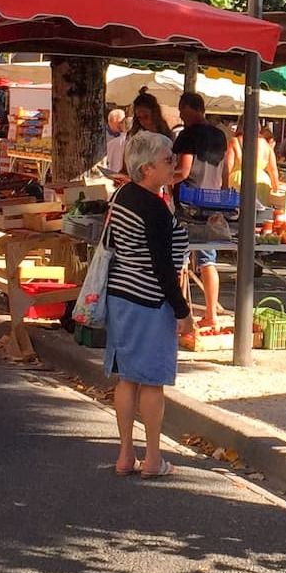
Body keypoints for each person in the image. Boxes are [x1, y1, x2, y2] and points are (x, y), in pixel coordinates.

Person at [105, 130, 195, 478]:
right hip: (150, 300)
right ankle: (153, 458)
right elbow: (163, 268)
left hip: (121, 294)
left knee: (127, 378)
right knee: (152, 382)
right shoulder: (154, 209)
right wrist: (183, 311)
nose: (174, 166)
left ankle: (125, 454)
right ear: (147, 170)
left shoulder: (122, 195)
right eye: (167, 161)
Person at [170, 91, 232, 331]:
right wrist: (222, 194)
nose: (180, 115)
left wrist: (164, 177)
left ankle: (177, 315)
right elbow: (225, 171)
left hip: (188, 206)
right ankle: (211, 314)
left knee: (178, 260)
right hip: (213, 204)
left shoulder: (188, 135)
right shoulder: (219, 135)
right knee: (208, 260)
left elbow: (183, 172)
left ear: (191, 108)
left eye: (182, 110)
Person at [102, 107, 128, 178]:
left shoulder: (125, 136)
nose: (122, 125)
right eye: (120, 122)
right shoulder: (102, 135)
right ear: (111, 122)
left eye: (123, 122)